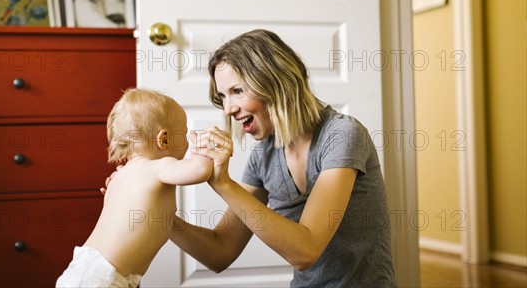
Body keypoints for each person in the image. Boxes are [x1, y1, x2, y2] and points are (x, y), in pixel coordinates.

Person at [167, 29, 397, 287]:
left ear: (276, 81)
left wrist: (223, 183)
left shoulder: (342, 135)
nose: (229, 108)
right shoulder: (264, 155)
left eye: (238, 91)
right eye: (223, 96)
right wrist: (162, 215)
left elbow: (306, 250)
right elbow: (220, 252)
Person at [57, 89, 213, 288]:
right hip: (104, 278)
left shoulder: (119, 177)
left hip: (88, 270)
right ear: (164, 139)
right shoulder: (157, 167)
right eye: (184, 133)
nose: (188, 140)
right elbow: (200, 170)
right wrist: (204, 147)